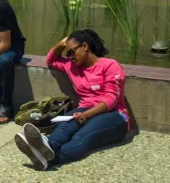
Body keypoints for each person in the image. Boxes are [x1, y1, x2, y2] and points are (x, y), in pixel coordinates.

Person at [15, 29, 130, 171]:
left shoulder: (110, 65)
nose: (69, 57)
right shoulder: (72, 66)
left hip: (114, 115)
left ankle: (49, 158)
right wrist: (61, 44)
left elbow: (111, 99)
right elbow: (50, 60)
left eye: (71, 52)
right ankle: (48, 146)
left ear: (85, 46)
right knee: (64, 127)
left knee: (82, 136)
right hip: (84, 110)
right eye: (67, 53)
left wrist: (86, 115)